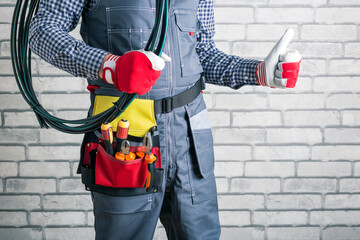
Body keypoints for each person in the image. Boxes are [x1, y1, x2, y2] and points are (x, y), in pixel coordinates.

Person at [29, 0, 301, 239]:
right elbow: (42, 32)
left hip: (191, 144)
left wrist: (257, 72)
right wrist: (110, 66)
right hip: (126, 142)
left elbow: (202, 53)